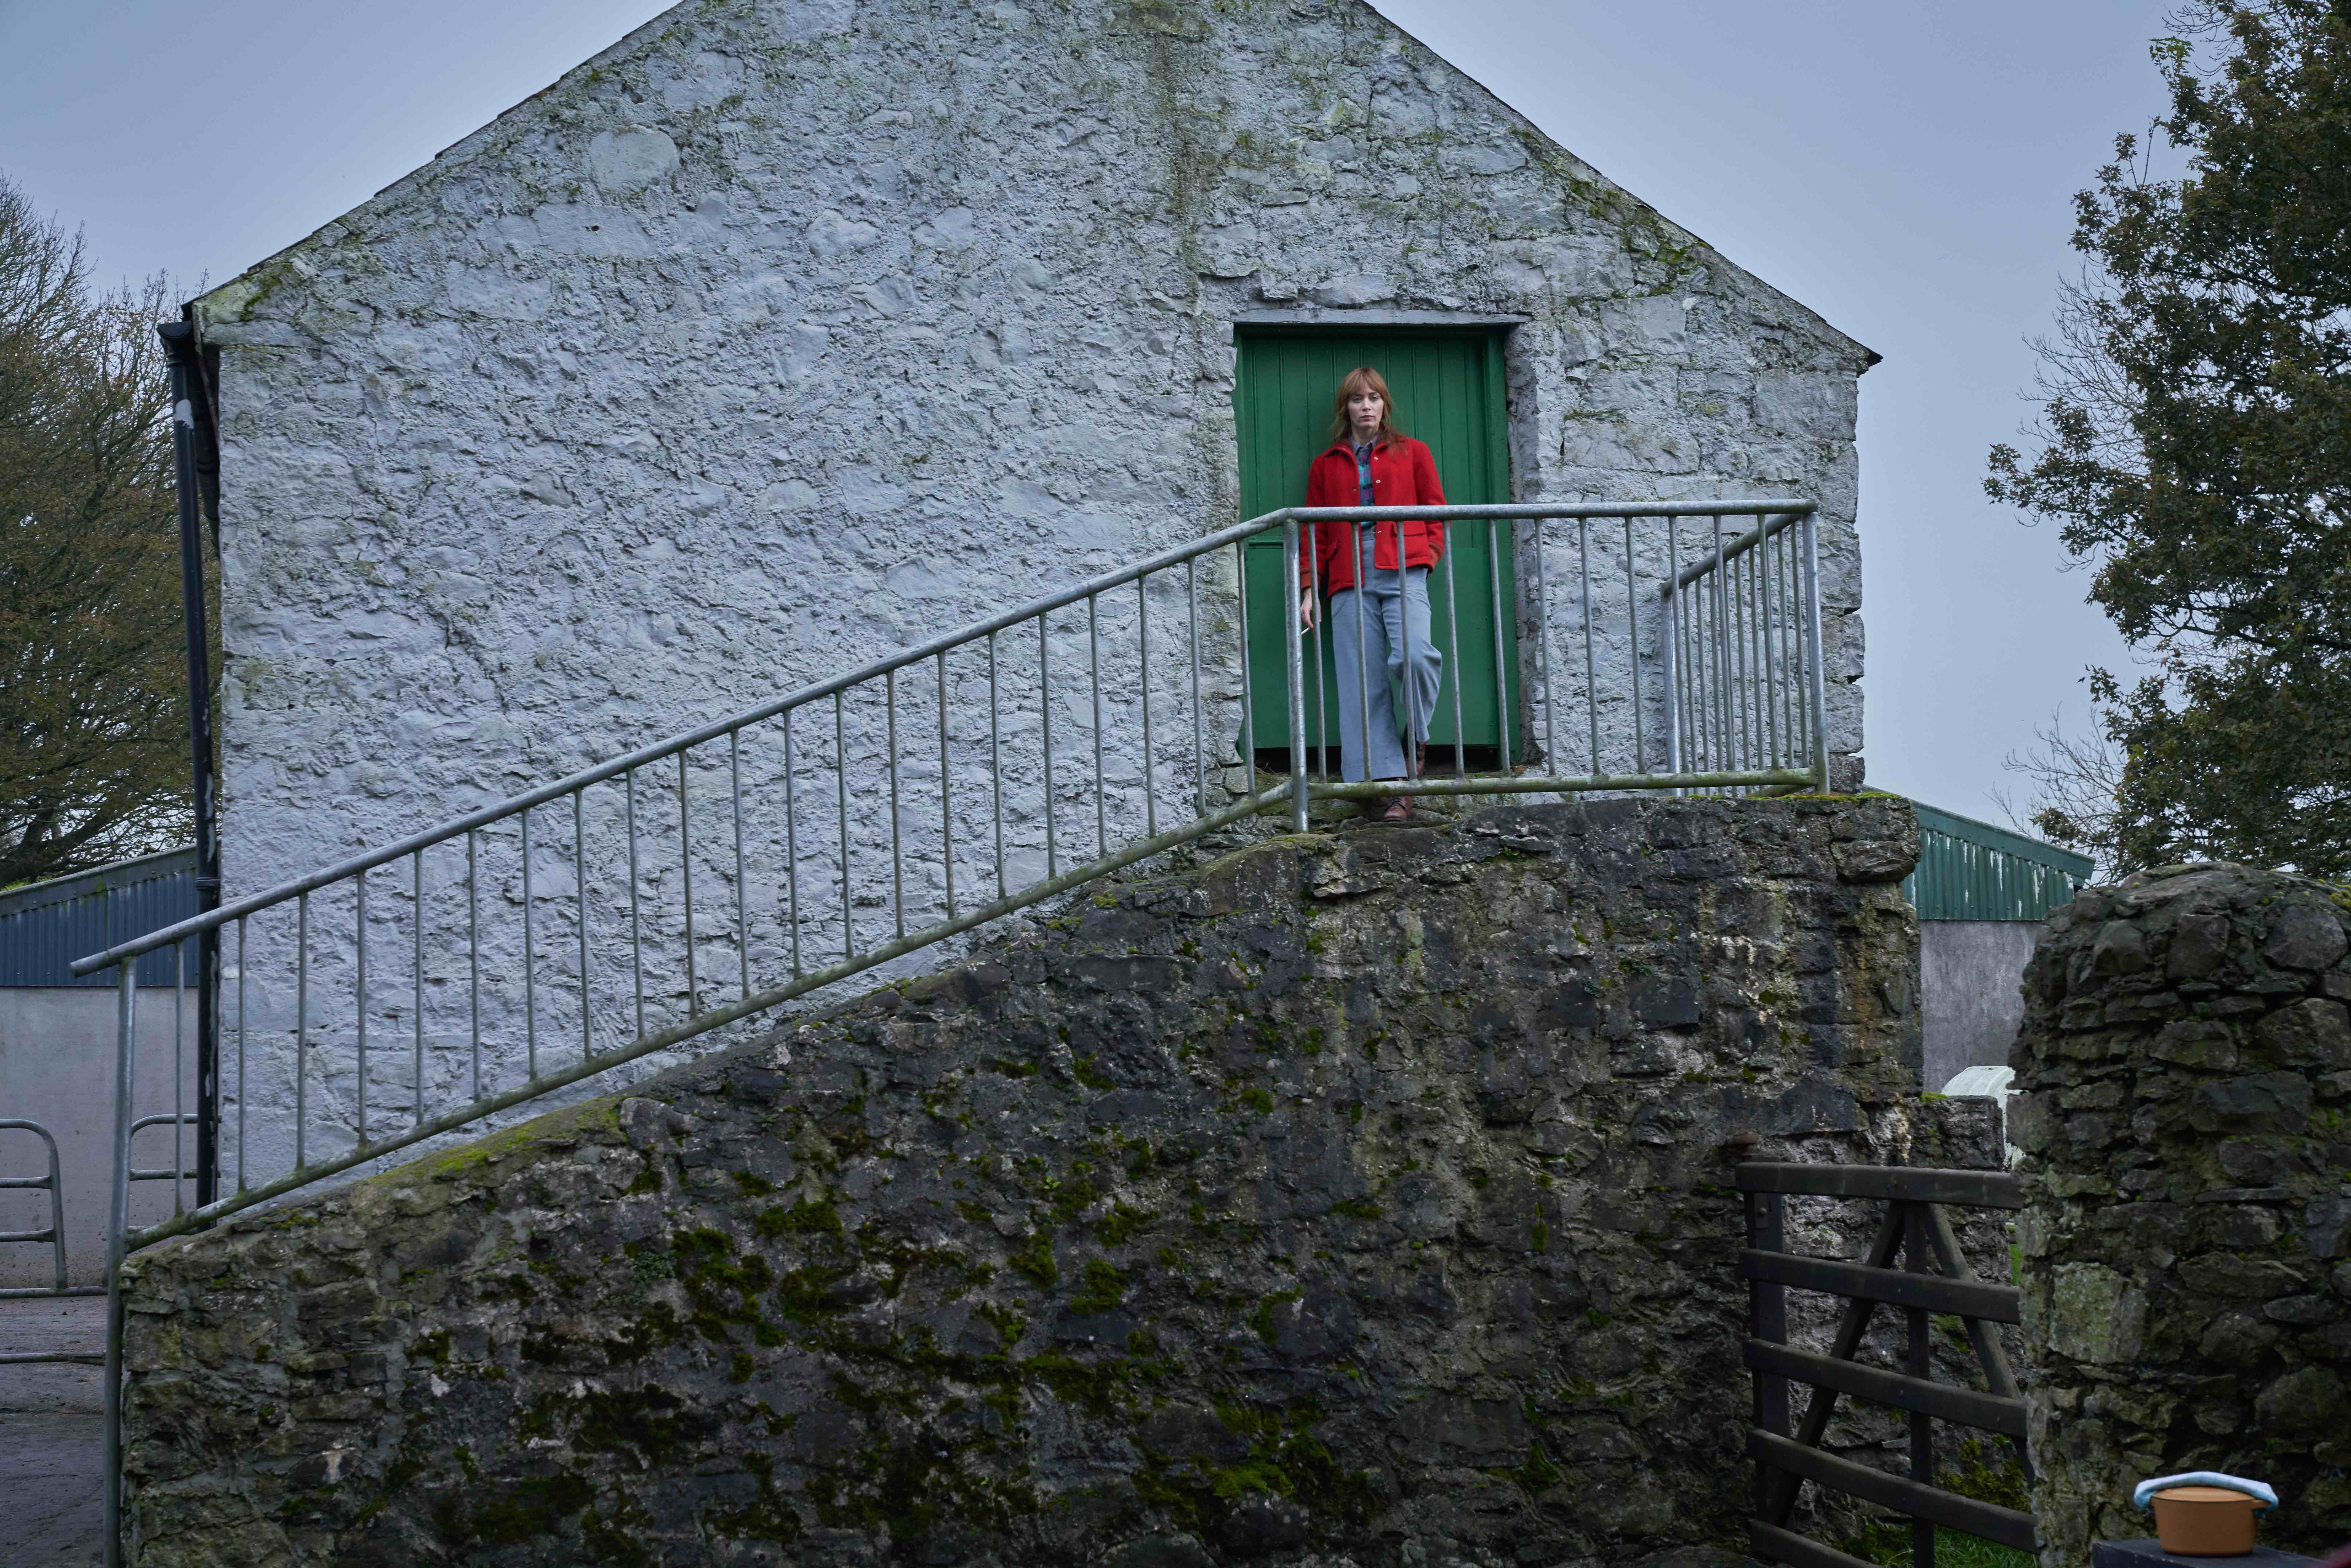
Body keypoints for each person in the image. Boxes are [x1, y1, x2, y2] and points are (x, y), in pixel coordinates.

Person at [1298, 367, 1446, 821]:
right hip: (1347, 571)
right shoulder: (1325, 465)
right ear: (1345, 408)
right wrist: (1309, 588)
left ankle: (1416, 738)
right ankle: (1389, 788)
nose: (1367, 406)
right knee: (1362, 681)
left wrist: (1428, 554)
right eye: (1357, 399)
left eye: (1375, 398)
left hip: (1404, 565)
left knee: (1416, 656)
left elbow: (1437, 510)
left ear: (1385, 405)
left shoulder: (1414, 452)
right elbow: (1315, 531)